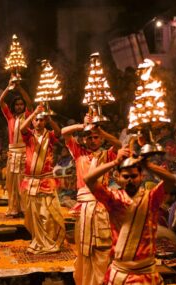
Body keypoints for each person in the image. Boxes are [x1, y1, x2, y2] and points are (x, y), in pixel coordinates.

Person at [84, 148, 176, 285]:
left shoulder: (151, 197)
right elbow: (88, 179)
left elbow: (171, 180)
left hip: (146, 274)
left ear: (141, 177)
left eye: (133, 176)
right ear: (118, 178)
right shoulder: (113, 198)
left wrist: (147, 165)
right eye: (125, 176)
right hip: (119, 273)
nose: (130, 180)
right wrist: (115, 162)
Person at [61, 115, 121, 285]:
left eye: (96, 137)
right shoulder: (78, 152)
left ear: (101, 139)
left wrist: (100, 130)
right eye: (89, 137)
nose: (93, 140)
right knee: (83, 249)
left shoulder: (107, 155)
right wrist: (84, 125)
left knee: (102, 248)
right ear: (84, 139)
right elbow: (64, 132)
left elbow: (119, 145)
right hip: (83, 207)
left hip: (101, 207)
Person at [20, 104, 65, 254]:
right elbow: (21, 128)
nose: (38, 123)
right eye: (36, 120)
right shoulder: (29, 135)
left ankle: (48, 242)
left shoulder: (49, 136)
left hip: (46, 180)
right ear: (32, 121)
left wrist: (49, 118)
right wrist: (34, 113)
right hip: (31, 181)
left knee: (46, 214)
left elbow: (59, 132)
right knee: (33, 215)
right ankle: (38, 241)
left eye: (41, 120)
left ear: (45, 122)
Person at [0, 80, 32, 217]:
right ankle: (14, 208)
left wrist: (20, 88)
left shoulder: (28, 116)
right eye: (17, 105)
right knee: (11, 182)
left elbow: (30, 102)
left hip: (24, 152)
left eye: (21, 104)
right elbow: (1, 101)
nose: (19, 106)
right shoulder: (10, 117)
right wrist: (8, 87)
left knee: (22, 181)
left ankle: (24, 209)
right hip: (12, 153)